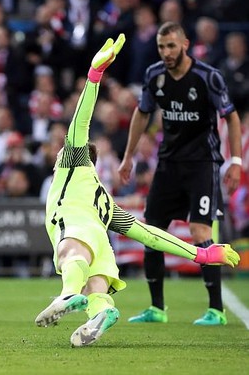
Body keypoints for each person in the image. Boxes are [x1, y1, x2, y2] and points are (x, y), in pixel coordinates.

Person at [35, 34, 240, 347]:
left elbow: (79, 123)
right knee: (98, 285)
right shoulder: (105, 200)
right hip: (100, 238)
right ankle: (101, 311)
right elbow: (149, 234)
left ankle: (66, 294)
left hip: (75, 226)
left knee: (69, 253)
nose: (59, 151)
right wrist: (201, 253)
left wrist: (94, 75)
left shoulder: (71, 166)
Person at [118, 21, 242, 326]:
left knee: (200, 233)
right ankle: (156, 308)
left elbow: (232, 117)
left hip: (202, 165)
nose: (166, 52)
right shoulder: (154, 75)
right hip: (168, 165)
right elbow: (142, 112)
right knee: (151, 232)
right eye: (162, 47)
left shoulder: (207, 77)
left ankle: (216, 310)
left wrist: (236, 160)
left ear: (185, 44)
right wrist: (128, 156)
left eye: (171, 46)